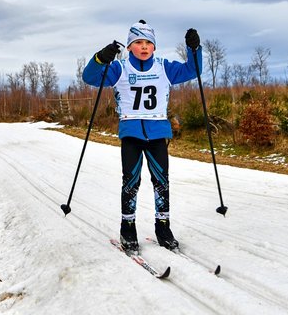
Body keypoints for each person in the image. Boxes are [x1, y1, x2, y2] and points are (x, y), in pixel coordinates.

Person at [82, 20, 202, 252]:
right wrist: (100, 58)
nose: (144, 47)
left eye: (148, 42)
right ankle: (128, 228)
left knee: (161, 182)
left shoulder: (164, 67)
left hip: (158, 133)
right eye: (138, 42)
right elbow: (90, 77)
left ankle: (163, 227)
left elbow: (193, 70)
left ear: (154, 47)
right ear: (129, 47)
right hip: (132, 133)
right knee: (131, 182)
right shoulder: (119, 68)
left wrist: (194, 49)